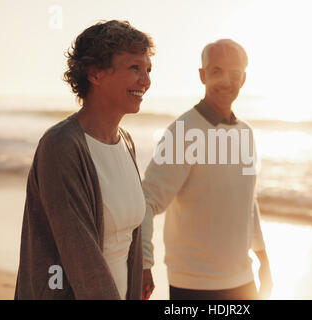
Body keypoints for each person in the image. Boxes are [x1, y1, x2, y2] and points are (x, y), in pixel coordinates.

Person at [14, 20, 154, 299]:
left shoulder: (125, 142)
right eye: (134, 68)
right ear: (95, 74)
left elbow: (126, 241)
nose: (146, 81)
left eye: (148, 70)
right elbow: (80, 253)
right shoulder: (61, 146)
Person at [141, 39, 273, 300]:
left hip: (243, 280)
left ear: (243, 79)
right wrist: (145, 264)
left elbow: (248, 203)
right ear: (202, 75)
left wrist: (263, 259)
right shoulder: (183, 132)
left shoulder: (245, 133)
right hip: (194, 285)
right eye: (216, 71)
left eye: (234, 74)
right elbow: (146, 201)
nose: (226, 81)